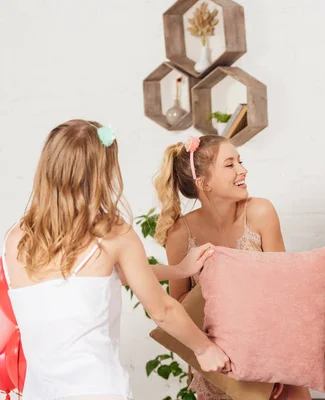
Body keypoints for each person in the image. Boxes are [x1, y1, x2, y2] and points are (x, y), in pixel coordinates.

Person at [1, 120, 230, 400]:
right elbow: (163, 311)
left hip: (39, 393)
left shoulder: (16, 237)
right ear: (103, 172)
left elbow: (92, 282)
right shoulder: (112, 233)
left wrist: (178, 269)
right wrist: (205, 349)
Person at [154, 135, 310, 400]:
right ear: (204, 183)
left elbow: (285, 292)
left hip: (274, 351)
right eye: (230, 164)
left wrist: (273, 367)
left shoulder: (260, 212)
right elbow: (179, 305)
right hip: (219, 366)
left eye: (240, 161)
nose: (242, 170)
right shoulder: (180, 233)